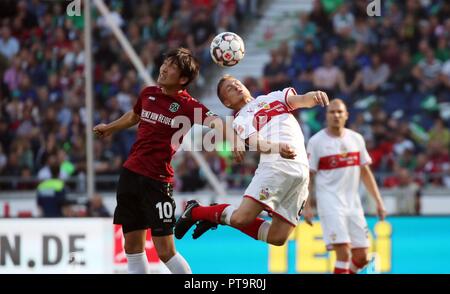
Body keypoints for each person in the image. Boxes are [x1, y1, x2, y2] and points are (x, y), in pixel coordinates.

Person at [93, 48, 225, 274]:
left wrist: (230, 134)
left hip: (157, 182)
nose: (164, 68)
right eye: (165, 63)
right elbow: (135, 116)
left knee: (164, 250)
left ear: (183, 79)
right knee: (132, 247)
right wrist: (109, 128)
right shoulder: (148, 93)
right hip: (130, 175)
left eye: (172, 66)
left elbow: (215, 121)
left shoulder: (188, 105)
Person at [175, 74, 329, 247]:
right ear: (227, 103)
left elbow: (300, 100)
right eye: (229, 88)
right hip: (276, 164)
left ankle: (218, 213)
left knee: (277, 238)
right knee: (241, 219)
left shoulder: (273, 97)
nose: (236, 86)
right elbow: (256, 142)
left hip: (301, 172)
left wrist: (313, 96)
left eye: (237, 83)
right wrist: (277, 147)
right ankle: (196, 211)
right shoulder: (240, 119)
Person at [304, 99, 387, 274]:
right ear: (326, 116)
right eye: (332, 112)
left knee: (362, 256)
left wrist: (379, 201)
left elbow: (365, 172)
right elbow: (307, 176)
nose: (336, 115)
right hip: (330, 203)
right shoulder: (316, 142)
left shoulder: (356, 139)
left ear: (346, 115)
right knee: (343, 254)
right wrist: (306, 205)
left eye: (340, 112)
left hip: (353, 204)